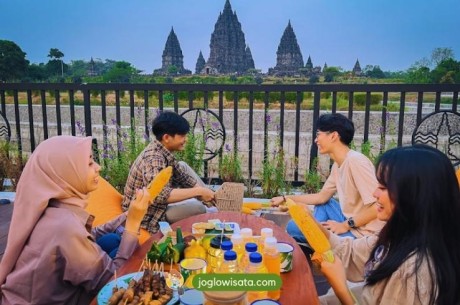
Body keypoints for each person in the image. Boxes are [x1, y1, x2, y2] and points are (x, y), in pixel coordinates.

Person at [0, 136, 150, 305]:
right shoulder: (64, 226)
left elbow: (86, 235)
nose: (98, 167)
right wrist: (133, 226)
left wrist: (127, 216)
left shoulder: (48, 208)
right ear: (65, 171)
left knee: (112, 240)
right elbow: (115, 284)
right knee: (126, 253)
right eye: (89, 163)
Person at [319, 145, 460, 305]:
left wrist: (341, 288)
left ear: (413, 197)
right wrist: (310, 223)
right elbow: (351, 253)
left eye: (383, 187)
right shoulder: (398, 235)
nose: (374, 194)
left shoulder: (413, 271)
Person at [272, 113, 384, 241]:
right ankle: (317, 236)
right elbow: (321, 197)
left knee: (293, 228)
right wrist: (286, 198)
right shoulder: (338, 164)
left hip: (364, 233)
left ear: (333, 136)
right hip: (350, 220)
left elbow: (378, 205)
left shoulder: (356, 162)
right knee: (323, 204)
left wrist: (345, 225)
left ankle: (318, 238)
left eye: (318, 134)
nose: (316, 140)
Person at [121, 111, 215, 234]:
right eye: (182, 136)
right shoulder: (153, 158)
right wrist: (198, 191)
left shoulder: (163, 150)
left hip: (157, 205)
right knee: (198, 208)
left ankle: (213, 199)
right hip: (147, 215)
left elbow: (182, 176)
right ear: (166, 137)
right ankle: (212, 209)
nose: (185, 140)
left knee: (182, 166)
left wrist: (201, 191)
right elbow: (160, 196)